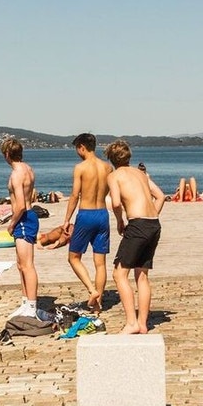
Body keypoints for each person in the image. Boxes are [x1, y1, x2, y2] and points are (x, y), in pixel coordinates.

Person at [106, 139, 164, 333]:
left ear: (111, 159)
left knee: (119, 273)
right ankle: (142, 323)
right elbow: (160, 196)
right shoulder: (141, 174)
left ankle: (132, 323)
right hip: (153, 224)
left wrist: (119, 221)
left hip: (138, 225)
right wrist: (151, 215)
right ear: (128, 156)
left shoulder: (114, 176)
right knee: (142, 275)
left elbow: (115, 202)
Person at [61, 133, 114, 311]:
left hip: (86, 214)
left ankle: (92, 290)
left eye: (77, 149)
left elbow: (75, 195)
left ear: (82, 147)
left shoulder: (80, 168)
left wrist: (67, 219)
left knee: (73, 257)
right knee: (100, 263)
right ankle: (98, 305)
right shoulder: (107, 167)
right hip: (102, 214)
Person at [1, 136, 41, 319]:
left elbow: (21, 205)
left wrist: (11, 224)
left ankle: (32, 306)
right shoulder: (28, 169)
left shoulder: (17, 174)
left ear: (7, 154)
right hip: (26, 217)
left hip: (23, 219)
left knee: (27, 265)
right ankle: (25, 302)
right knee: (20, 265)